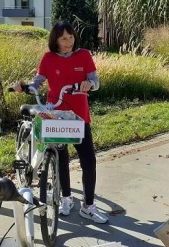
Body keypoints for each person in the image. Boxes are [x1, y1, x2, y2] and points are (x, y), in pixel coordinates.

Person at [14, 21, 108, 224]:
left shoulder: (83, 55)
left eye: (71, 37)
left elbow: (96, 82)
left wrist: (89, 83)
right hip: (56, 115)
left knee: (88, 160)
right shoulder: (48, 58)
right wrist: (25, 87)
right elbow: (37, 82)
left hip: (79, 115)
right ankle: (66, 198)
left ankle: (88, 206)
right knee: (61, 157)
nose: (69, 41)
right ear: (55, 40)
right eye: (64, 38)